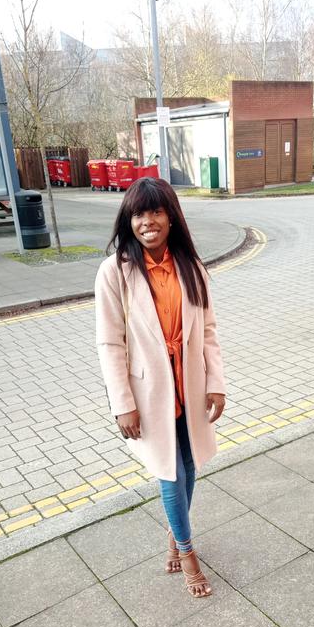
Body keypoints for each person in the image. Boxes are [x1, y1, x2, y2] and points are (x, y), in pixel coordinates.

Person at [95, 177, 226, 598]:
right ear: (128, 220)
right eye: (138, 214)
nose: (147, 221)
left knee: (189, 466)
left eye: (155, 211)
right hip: (149, 394)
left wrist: (216, 383)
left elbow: (208, 331)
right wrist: (122, 403)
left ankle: (174, 537)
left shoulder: (191, 266)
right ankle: (187, 554)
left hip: (189, 385)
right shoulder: (115, 272)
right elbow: (110, 343)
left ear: (171, 217)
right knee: (170, 473)